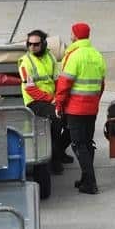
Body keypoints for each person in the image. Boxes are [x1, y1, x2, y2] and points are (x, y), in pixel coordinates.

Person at [55, 22, 106, 195]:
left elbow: (64, 83)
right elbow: (102, 84)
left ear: (75, 35)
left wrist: (59, 103)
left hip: (75, 109)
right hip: (91, 109)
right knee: (87, 143)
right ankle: (85, 180)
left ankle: (91, 183)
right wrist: (95, 102)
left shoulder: (74, 55)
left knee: (79, 145)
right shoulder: (97, 55)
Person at [18, 29, 73, 175]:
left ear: (44, 44)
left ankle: (59, 150)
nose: (32, 47)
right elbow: (31, 90)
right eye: (29, 44)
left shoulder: (50, 57)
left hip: (52, 99)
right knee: (56, 118)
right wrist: (53, 100)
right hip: (35, 101)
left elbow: (57, 80)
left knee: (73, 116)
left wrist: (60, 98)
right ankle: (54, 158)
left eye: (36, 44)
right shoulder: (25, 62)